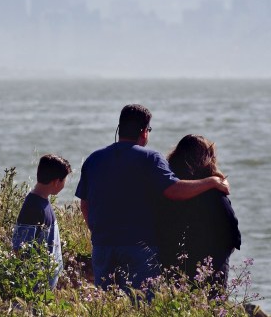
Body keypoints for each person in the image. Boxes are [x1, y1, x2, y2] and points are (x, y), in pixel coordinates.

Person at [75, 104, 230, 293]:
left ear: (120, 127)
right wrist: (211, 181)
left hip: (102, 246)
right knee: (142, 305)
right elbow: (174, 190)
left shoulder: (94, 159)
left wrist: (98, 232)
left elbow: (85, 204)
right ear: (144, 131)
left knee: (109, 302)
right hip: (139, 247)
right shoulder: (150, 158)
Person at [157, 134, 241, 289]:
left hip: (172, 262)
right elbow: (231, 230)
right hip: (212, 265)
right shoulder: (214, 191)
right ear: (207, 158)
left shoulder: (169, 190)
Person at [12, 154, 72, 289]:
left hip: (45, 284)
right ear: (56, 182)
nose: (64, 184)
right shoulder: (33, 206)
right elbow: (19, 248)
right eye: (64, 180)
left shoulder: (42, 201)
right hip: (36, 286)